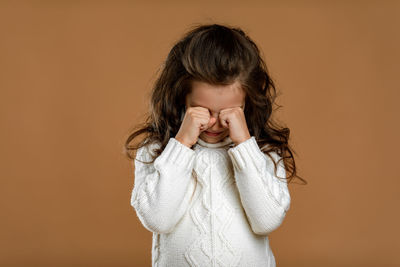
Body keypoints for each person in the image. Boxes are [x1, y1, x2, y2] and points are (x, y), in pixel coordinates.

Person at [124, 23, 305, 267]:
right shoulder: (158, 151)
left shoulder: (263, 152)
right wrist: (182, 145)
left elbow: (267, 220)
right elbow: (158, 219)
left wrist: (244, 146)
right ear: (180, 98)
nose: (215, 123)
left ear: (248, 104)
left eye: (231, 111)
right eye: (202, 109)